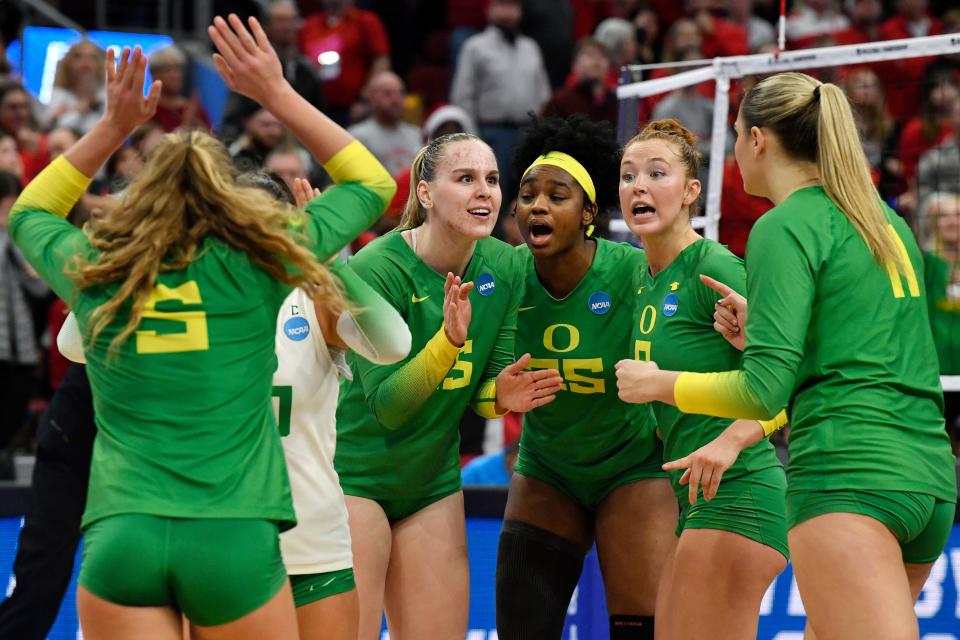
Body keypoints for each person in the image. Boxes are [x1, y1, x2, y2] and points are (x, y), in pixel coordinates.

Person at [10, 11, 394, 636]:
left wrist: (112, 126)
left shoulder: (99, 267)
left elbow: (32, 209)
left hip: (121, 536)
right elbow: (371, 181)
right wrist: (275, 91)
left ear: (142, 197)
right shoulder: (262, 260)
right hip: (233, 537)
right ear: (232, 201)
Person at [615, 72, 957, 639]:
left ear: (758, 140)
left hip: (846, 473)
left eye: (736, 135)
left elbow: (761, 392)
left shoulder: (783, 225)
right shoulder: (886, 222)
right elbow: (874, 349)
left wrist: (659, 383)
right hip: (929, 478)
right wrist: (769, 334)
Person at [334, 131, 564, 640]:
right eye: (465, 179)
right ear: (425, 193)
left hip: (432, 483)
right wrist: (447, 342)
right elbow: (389, 405)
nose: (484, 191)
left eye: (491, 180)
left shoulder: (503, 265)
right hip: (352, 478)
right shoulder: (378, 268)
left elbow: (484, 384)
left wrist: (500, 396)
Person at [496, 115, 676, 640]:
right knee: (521, 626)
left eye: (557, 195)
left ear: (589, 212)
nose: (539, 205)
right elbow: (475, 376)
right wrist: (495, 395)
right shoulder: (504, 276)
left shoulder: (631, 270)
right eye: (528, 195)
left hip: (632, 465)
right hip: (548, 466)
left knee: (638, 628)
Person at [616, 118, 787, 639]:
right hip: (694, 501)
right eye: (627, 176)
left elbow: (787, 381)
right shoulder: (644, 277)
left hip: (740, 493)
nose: (638, 186)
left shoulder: (713, 267)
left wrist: (727, 444)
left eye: (656, 173)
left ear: (692, 191)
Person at [450, 0, 551, 209]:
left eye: (513, 5)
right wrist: (472, 139)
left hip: (527, 133)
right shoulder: (475, 47)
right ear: (489, 9)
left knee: (530, 197)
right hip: (492, 133)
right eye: (502, 4)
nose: (508, 11)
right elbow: (463, 96)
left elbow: (543, 94)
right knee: (490, 197)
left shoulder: (530, 47)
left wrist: (541, 135)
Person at [220, 0, 326, 144]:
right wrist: (250, 124)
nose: (288, 26)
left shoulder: (307, 70)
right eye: (281, 20)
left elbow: (322, 119)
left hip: (300, 148)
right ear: (266, 26)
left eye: (292, 20)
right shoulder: (250, 67)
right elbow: (231, 120)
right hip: (253, 145)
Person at [298, 0, 391, 125]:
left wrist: (364, 100)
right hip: (314, 106)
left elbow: (381, 61)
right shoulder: (310, 24)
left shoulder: (366, 21)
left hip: (353, 108)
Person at [921, 193, 960, 451]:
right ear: (933, 222)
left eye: (957, 214)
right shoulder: (926, 263)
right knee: (939, 440)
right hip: (936, 371)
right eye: (944, 215)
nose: (952, 221)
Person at [347, 71, 421, 176]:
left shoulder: (416, 135)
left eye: (400, 93)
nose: (395, 100)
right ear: (371, 98)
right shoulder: (356, 137)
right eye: (387, 94)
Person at [43, 39, 106, 135]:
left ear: (100, 64)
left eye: (92, 57)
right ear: (68, 64)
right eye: (78, 57)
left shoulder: (107, 96)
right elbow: (51, 130)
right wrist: (79, 111)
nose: (86, 61)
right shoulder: (59, 95)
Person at [148, 45, 211, 132]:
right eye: (168, 70)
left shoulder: (195, 110)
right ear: (154, 74)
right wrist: (186, 124)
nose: (176, 75)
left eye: (178, 69)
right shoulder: (147, 110)